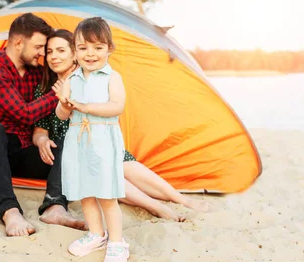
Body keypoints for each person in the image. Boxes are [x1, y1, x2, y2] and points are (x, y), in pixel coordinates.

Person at [33, 29, 209, 224]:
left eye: (60, 50)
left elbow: (110, 108)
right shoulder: (43, 88)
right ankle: (156, 206)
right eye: (49, 52)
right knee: (105, 169)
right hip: (74, 151)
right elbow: (40, 129)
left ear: (74, 53)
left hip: (100, 140)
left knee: (124, 163)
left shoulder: (91, 78)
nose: (54, 56)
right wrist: (41, 140)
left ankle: (180, 198)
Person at [0, 13, 87, 237]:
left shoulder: (36, 74)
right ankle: (9, 212)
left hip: (21, 151)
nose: (43, 54)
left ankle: (54, 206)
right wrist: (62, 90)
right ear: (19, 42)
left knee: (67, 140)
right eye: (40, 47)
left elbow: (69, 76)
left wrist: (42, 139)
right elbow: (25, 114)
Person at [51, 17, 129, 262]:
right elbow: (61, 115)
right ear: (75, 51)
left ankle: (117, 241)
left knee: (106, 193)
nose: (90, 54)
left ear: (109, 49)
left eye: (98, 47)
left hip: (102, 139)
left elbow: (117, 105)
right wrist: (64, 103)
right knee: (85, 191)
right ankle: (97, 234)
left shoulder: (112, 77)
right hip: (78, 140)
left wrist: (86, 107)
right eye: (83, 48)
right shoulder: (72, 79)